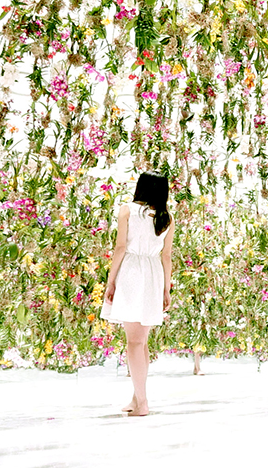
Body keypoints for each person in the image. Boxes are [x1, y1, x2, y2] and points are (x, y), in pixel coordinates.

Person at [101, 171, 175, 417]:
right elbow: (166, 256)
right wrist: (166, 288)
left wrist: (111, 282)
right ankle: (137, 396)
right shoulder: (166, 217)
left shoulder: (127, 210)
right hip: (153, 274)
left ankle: (142, 402)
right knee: (140, 341)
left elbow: (120, 247)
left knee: (134, 342)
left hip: (132, 272)